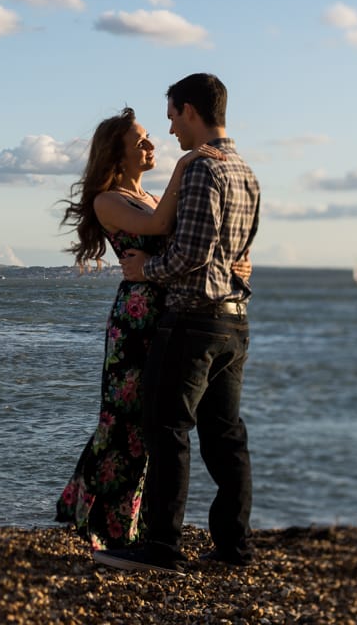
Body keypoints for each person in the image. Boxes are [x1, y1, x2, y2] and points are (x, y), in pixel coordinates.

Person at [55, 107, 251, 551]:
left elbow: (191, 243)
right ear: (116, 153)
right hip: (137, 321)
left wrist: (233, 262)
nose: (151, 144)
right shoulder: (108, 199)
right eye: (140, 139)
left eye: (149, 137)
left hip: (174, 315)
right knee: (126, 420)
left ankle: (130, 525)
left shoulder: (150, 195)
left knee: (155, 425)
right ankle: (104, 522)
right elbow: (160, 227)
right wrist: (187, 164)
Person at [93, 72, 261, 574]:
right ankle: (234, 547)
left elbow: (189, 251)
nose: (169, 132)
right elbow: (237, 252)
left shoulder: (203, 170)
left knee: (167, 430)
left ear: (190, 111)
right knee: (226, 435)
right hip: (235, 319)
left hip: (191, 319)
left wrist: (148, 269)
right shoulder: (246, 171)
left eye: (171, 118)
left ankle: (161, 546)